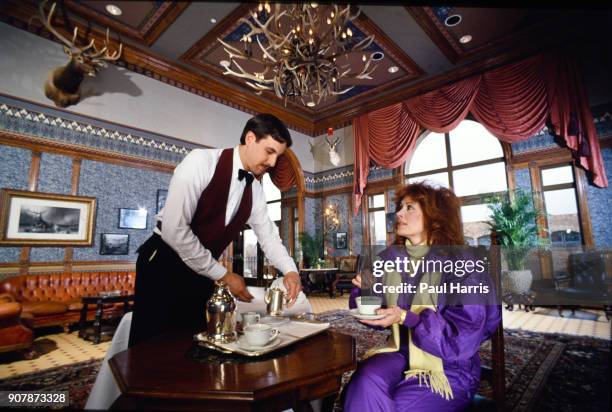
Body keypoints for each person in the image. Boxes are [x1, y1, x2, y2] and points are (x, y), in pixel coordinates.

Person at [128, 113, 302, 347]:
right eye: (269, 151)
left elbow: (269, 238)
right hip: (163, 264)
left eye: (277, 156)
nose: (272, 163)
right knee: (151, 350)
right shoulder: (200, 162)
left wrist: (290, 271)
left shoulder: (256, 191)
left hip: (201, 273)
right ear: (250, 138)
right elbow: (174, 230)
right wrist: (223, 274)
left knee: (193, 345)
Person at [343, 182, 501, 411]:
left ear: (434, 217)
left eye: (409, 208)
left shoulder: (465, 265)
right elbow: (379, 314)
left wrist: (407, 318)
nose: (398, 213)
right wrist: (366, 290)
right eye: (400, 207)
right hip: (402, 352)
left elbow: (461, 340)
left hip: (450, 366)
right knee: (362, 383)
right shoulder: (390, 259)